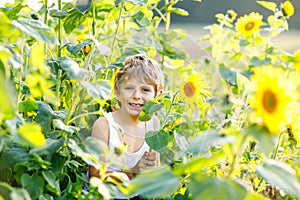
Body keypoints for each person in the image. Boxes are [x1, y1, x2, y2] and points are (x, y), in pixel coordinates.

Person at [89, 54, 164, 187]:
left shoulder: (154, 124)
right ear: (117, 91)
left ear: (157, 94)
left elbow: (154, 170)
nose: (136, 96)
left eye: (145, 90)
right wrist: (132, 173)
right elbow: (94, 178)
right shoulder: (104, 125)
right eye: (129, 88)